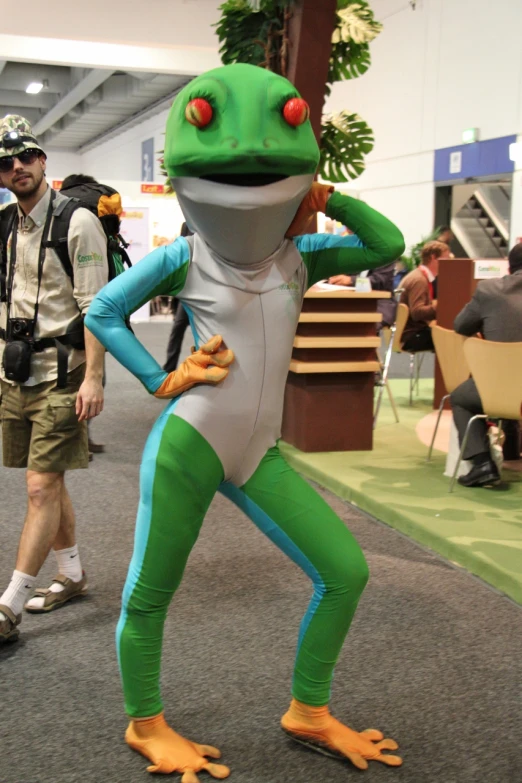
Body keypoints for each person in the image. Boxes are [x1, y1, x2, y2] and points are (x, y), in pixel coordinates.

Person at [86, 64, 405, 778]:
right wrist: (159, 376)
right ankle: (146, 722)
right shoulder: (186, 257)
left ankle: (309, 709)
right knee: (149, 593)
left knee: (345, 570)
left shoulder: (303, 256)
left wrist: (332, 198)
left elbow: (388, 247)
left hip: (260, 451)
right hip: (190, 443)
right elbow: (102, 311)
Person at [0, 115, 107, 644]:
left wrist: (95, 379)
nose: (16, 166)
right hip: (16, 371)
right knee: (50, 476)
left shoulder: (77, 221)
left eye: (25, 156)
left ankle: (9, 605)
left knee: (40, 484)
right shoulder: (5, 224)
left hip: (64, 374)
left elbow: (98, 307)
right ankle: (73, 572)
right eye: (5, 162)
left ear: (43, 160)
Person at [450, 242, 522, 488]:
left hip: (498, 392)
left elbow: (461, 325)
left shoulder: (489, 291)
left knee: (460, 397)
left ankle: (482, 463)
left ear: (510, 267)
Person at [60, 173, 105, 456]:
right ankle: (83, 438)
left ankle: (79, 442)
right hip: (95, 311)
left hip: (66, 317)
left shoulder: (65, 214)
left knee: (72, 379)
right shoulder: (91, 212)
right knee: (92, 374)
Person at [399, 240, 450, 351]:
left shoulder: (418, 276)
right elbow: (417, 313)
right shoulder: (419, 280)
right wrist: (440, 306)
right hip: (411, 335)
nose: (449, 262)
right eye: (446, 258)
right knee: (453, 339)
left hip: (410, 331)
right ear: (433, 257)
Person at [328, 262, 396, 328]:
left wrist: (351, 280)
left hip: (377, 303)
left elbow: (379, 280)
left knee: (356, 325)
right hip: (345, 301)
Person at [163, 223, 191, 373]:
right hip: (187, 291)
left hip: (205, 289)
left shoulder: (209, 224)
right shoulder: (187, 225)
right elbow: (181, 249)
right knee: (177, 329)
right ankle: (169, 370)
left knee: (205, 332)